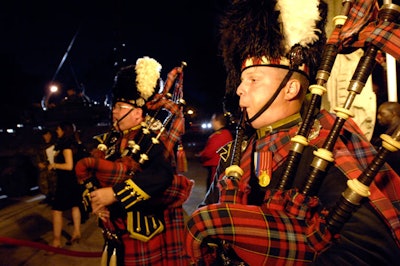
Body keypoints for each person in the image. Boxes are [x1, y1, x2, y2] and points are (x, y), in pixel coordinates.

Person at [185, 1, 400, 265]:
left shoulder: (326, 147)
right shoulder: (237, 150)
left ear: (291, 89)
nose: (240, 89)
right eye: (241, 80)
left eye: (253, 79)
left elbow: (370, 252)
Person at [75, 56, 193, 265]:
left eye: (120, 107)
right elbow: (91, 176)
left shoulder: (153, 139)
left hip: (144, 234)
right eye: (115, 106)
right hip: (114, 232)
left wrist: (114, 194)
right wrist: (95, 200)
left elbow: (161, 175)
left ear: (138, 113)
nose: (114, 111)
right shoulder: (111, 139)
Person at [48, 121, 82, 249]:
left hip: (66, 182)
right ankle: (77, 232)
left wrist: (54, 165)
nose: (56, 131)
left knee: (56, 210)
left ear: (63, 130)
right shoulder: (73, 144)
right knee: (74, 206)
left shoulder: (66, 145)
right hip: (72, 181)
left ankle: (56, 242)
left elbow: (69, 166)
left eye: (58, 129)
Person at [197, 112, 233, 190]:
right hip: (225, 166)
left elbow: (208, 153)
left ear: (217, 121)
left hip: (215, 167)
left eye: (212, 120)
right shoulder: (227, 133)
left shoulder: (217, 135)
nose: (211, 122)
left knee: (213, 188)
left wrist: (200, 155)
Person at [372, 101, 400, 175]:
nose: (378, 117)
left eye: (382, 113)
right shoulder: (389, 130)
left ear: (393, 114)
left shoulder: (397, 133)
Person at [35, 128, 57, 205]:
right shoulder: (40, 146)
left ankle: (54, 197)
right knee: (44, 183)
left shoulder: (55, 144)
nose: (47, 136)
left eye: (48, 134)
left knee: (54, 182)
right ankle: (48, 197)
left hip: (53, 166)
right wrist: (39, 163)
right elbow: (37, 155)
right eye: (45, 135)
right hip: (44, 167)